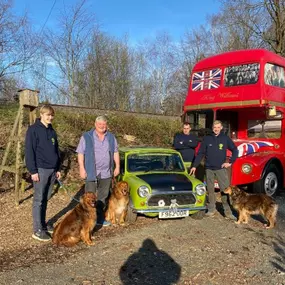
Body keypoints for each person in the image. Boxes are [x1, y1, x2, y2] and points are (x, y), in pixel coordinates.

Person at [25, 105, 61, 242]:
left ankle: (43, 224)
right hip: (40, 170)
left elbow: (56, 151)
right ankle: (37, 229)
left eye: (52, 115)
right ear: (41, 114)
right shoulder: (33, 130)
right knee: (38, 200)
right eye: (48, 115)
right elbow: (29, 151)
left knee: (46, 198)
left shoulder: (52, 131)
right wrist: (33, 171)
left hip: (53, 170)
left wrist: (58, 168)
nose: (50, 117)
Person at [76, 115, 120, 227]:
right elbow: (81, 153)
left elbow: (115, 152)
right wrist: (81, 167)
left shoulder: (111, 137)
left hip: (106, 172)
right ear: (95, 124)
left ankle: (100, 219)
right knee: (88, 198)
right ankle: (87, 221)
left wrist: (117, 166)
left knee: (103, 197)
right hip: (91, 171)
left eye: (104, 124)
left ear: (107, 125)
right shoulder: (86, 136)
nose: (102, 126)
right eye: (100, 124)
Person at [189, 120, 238, 219]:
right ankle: (211, 209)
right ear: (212, 128)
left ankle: (228, 212)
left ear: (221, 128)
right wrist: (194, 165)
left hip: (221, 169)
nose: (216, 129)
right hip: (209, 169)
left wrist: (230, 162)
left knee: (225, 190)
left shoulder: (225, 138)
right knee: (210, 190)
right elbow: (200, 153)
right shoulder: (207, 139)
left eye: (218, 127)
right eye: (215, 127)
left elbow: (235, 150)